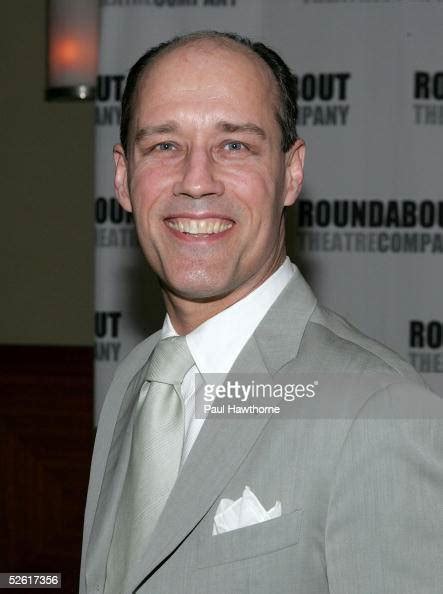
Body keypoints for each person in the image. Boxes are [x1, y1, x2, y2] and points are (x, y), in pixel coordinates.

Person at [80, 31, 443, 594]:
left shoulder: (380, 411)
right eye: (164, 146)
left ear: (291, 173)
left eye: (234, 146)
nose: (196, 181)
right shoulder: (135, 379)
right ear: (124, 178)